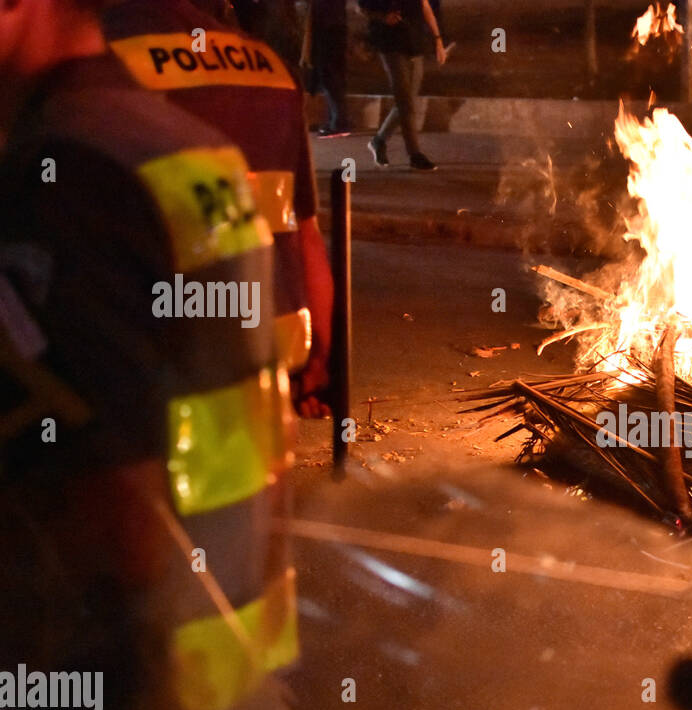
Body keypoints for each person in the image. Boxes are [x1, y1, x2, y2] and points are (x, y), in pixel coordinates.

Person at [0, 0, 346, 710]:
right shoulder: (181, 139)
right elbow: (298, 265)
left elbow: (108, 517)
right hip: (230, 681)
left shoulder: (59, 177)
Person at [103, 0, 334, 419]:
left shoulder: (99, 61)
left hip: (152, 370)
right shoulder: (270, 70)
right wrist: (318, 360)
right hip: (269, 354)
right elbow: (305, 235)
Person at [360, 0, 447, 171]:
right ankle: (414, 154)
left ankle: (379, 140)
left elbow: (424, 5)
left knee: (407, 102)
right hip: (390, 43)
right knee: (405, 102)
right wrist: (383, 18)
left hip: (414, 41)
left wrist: (438, 39)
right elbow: (362, 7)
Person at [309, 0, 351, 136]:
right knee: (335, 75)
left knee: (328, 76)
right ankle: (337, 119)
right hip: (337, 27)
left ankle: (338, 121)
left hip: (327, 28)